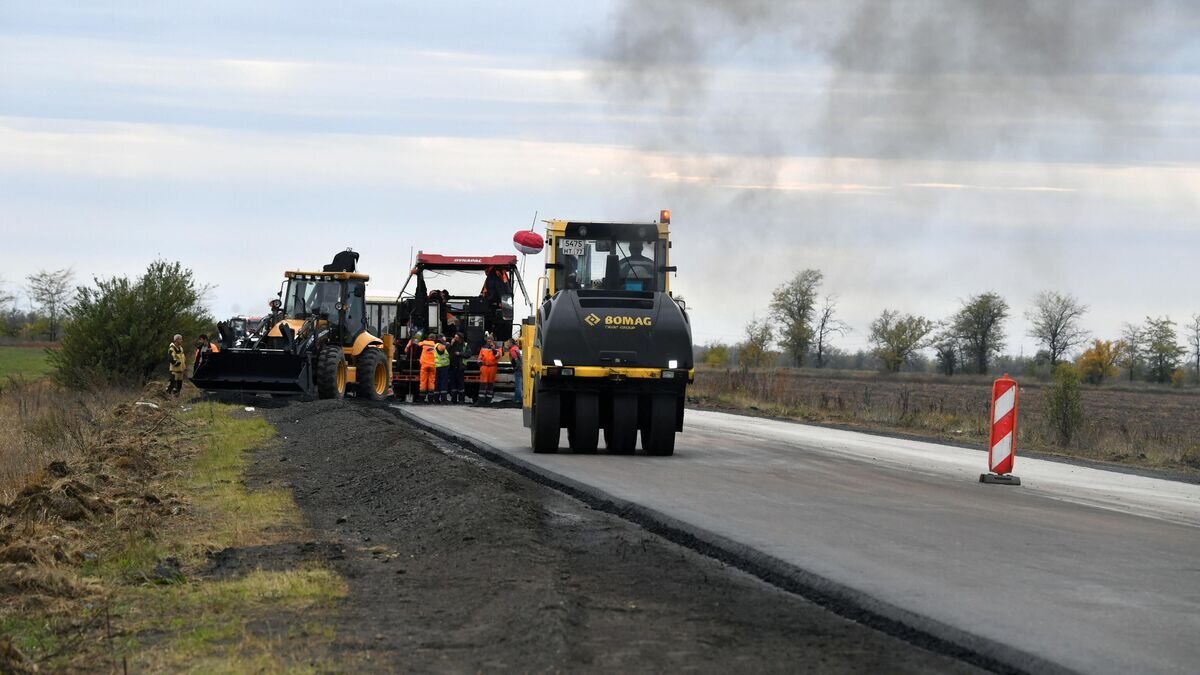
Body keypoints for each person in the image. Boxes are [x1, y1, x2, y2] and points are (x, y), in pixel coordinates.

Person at [476, 337, 501, 406]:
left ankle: (488, 401)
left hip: (492, 367)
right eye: (488, 341)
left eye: (490, 341)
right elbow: (480, 357)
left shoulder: (497, 348)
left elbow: (498, 356)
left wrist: (493, 349)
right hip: (484, 367)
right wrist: (479, 362)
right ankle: (481, 401)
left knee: (490, 384)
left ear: (493, 341)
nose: (489, 342)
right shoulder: (483, 347)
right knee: (483, 384)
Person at [417, 332, 438, 404]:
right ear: (434, 339)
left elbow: (417, 344)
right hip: (433, 366)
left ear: (428, 338)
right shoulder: (435, 345)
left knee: (423, 381)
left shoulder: (424, 343)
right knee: (431, 381)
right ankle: (430, 399)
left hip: (424, 365)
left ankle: (422, 399)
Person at [448, 333, 467, 403]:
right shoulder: (452, 345)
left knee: (460, 384)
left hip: (460, 367)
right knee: (453, 384)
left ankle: (461, 399)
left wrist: (460, 353)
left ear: (460, 338)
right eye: (454, 337)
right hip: (452, 367)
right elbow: (447, 352)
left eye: (456, 337)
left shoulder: (465, 345)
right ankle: (454, 399)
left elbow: (468, 354)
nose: (454, 339)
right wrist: (451, 344)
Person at [433, 336, 450, 404]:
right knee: (443, 383)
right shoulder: (439, 345)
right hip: (441, 367)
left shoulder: (437, 345)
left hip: (440, 366)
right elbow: (442, 349)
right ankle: (443, 399)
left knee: (438, 382)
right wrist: (445, 342)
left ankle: (437, 399)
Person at [507, 338, 523, 404]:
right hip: (520, 368)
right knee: (519, 384)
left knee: (518, 385)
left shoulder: (512, 350)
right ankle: (517, 398)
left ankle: (518, 399)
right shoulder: (516, 348)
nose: (507, 344)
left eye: (508, 343)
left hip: (518, 369)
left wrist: (517, 367)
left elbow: (516, 360)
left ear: (511, 343)